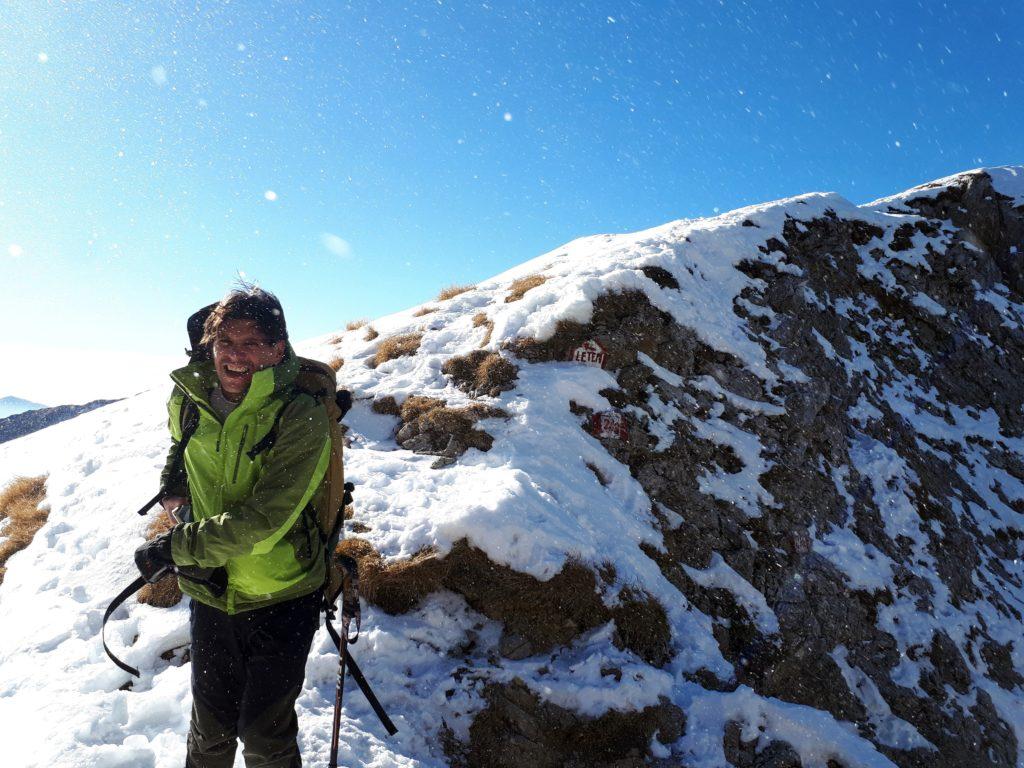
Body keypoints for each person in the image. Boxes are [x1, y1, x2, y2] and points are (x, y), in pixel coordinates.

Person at [134, 285, 332, 768]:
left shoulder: (300, 415)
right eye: (227, 342)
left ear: (278, 349)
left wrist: (175, 546)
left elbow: (264, 520)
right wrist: (171, 486)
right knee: (210, 733)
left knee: (265, 738)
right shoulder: (189, 400)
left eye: (252, 343)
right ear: (211, 345)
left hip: (283, 592)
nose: (236, 355)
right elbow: (179, 451)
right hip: (211, 590)